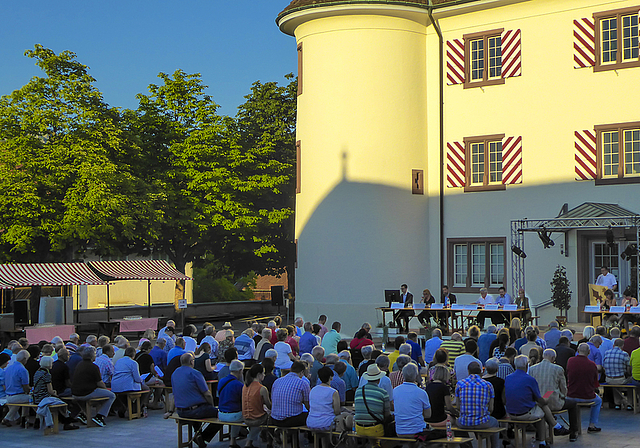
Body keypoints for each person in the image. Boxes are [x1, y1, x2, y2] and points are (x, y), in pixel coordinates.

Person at [505, 355, 559, 447]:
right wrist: (546, 399)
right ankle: (543, 440)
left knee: (539, 408)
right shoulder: (530, 379)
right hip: (524, 413)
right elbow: (539, 399)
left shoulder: (508, 378)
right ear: (527, 366)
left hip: (511, 413)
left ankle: (556, 427)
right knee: (542, 411)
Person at [173, 353, 222, 447]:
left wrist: (170, 411)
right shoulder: (195, 373)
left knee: (197, 409)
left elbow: (175, 393)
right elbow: (207, 394)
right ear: (192, 362)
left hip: (181, 410)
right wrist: (211, 405)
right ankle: (203, 437)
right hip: (195, 410)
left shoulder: (175, 373)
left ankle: (198, 434)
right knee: (222, 415)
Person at [529, 349, 578, 440]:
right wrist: (563, 396)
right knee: (573, 404)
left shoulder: (532, 369)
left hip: (538, 403)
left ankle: (540, 433)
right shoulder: (558, 369)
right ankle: (573, 431)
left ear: (543, 356)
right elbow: (563, 388)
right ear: (553, 358)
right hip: (553, 401)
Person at [455, 361, 499, 448]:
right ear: (481, 371)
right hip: (482, 422)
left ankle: (467, 446)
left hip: (465, 422)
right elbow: (491, 408)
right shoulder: (488, 385)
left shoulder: (460, 384)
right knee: (495, 422)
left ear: (468, 371)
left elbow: (458, 406)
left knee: (456, 423)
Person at [71, 346, 116, 427]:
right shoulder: (93, 367)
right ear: (92, 356)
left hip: (75, 392)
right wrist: (106, 390)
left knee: (100, 395)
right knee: (111, 395)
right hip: (87, 392)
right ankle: (100, 416)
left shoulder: (79, 364)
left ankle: (83, 415)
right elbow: (100, 383)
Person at [32, 356, 79, 431]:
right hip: (44, 397)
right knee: (63, 404)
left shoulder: (37, 372)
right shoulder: (47, 374)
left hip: (36, 397)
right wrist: (55, 393)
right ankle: (67, 422)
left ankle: (38, 421)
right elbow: (50, 390)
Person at [307, 366, 353, 441]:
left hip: (311, 422)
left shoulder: (313, 390)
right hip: (326, 423)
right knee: (346, 418)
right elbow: (337, 411)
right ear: (331, 377)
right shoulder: (333, 392)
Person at [567, 343, 602, 433]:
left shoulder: (570, 361)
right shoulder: (592, 365)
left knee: (571, 403)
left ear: (578, 351)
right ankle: (592, 425)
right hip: (587, 395)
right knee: (598, 401)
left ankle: (572, 427)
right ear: (589, 352)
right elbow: (595, 383)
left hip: (571, 395)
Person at [393, 363, 431, 437]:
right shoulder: (421, 393)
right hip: (418, 430)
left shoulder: (395, 390)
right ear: (416, 376)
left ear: (403, 375)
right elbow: (428, 415)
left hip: (399, 431)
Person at [354, 364, 392, 437]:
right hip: (375, 428)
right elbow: (387, 414)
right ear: (379, 379)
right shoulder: (383, 393)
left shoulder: (358, 391)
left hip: (359, 428)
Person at [270, 361, 310, 427]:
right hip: (291, 419)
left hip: (275, 418)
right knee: (309, 417)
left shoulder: (277, 381)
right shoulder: (302, 383)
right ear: (302, 372)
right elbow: (307, 404)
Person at [112, 346, 150, 413]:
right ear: (133, 354)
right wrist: (142, 379)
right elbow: (137, 379)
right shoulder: (133, 363)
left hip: (115, 385)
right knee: (146, 389)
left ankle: (124, 407)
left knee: (123, 393)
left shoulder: (119, 361)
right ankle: (136, 408)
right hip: (127, 385)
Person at [242, 364, 271, 448]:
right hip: (257, 418)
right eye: (263, 373)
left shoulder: (245, 386)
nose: (264, 375)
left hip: (245, 417)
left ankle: (249, 442)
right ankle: (271, 442)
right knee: (271, 417)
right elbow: (269, 405)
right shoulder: (262, 388)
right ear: (259, 375)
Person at [217, 360, 245, 447]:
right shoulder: (239, 385)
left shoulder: (221, 381)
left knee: (235, 413)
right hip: (234, 415)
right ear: (240, 371)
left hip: (221, 413)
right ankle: (246, 438)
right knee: (251, 416)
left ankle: (236, 438)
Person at [1, 350, 31, 426]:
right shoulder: (23, 370)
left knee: (19, 401)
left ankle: (19, 419)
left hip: (8, 395)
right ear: (24, 359)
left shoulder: (8, 368)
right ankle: (27, 418)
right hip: (17, 395)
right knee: (31, 398)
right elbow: (26, 388)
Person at [603, 338, 633, 409]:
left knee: (615, 385)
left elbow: (604, 366)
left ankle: (617, 403)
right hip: (620, 379)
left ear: (614, 345)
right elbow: (628, 368)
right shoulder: (624, 354)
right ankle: (630, 403)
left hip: (608, 379)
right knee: (631, 381)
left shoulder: (607, 353)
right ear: (622, 346)